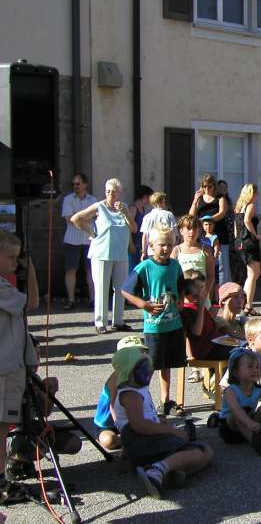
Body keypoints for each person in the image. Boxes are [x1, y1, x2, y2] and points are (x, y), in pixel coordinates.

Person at [111, 346, 213, 499]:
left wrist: (160, 422)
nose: (149, 371)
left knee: (206, 453)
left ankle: (166, 472)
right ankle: (157, 471)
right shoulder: (130, 394)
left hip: (146, 439)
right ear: (128, 371)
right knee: (199, 452)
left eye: (149, 366)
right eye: (142, 368)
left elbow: (143, 418)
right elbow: (139, 425)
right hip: (142, 440)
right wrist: (172, 431)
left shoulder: (138, 389)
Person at [121, 225, 186, 415]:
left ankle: (165, 401)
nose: (165, 249)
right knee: (151, 365)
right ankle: (144, 400)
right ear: (151, 245)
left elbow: (180, 284)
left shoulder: (175, 265)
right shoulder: (144, 267)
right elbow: (125, 290)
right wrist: (143, 304)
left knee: (168, 364)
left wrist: (181, 298)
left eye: (169, 245)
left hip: (173, 324)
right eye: (161, 245)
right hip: (154, 327)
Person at [0, 230, 41, 503]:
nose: (16, 263)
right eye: (11, 258)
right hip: (4, 368)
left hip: (10, 365)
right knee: (1, 428)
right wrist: (33, 271)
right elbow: (33, 303)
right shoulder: (3, 289)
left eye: (19, 258)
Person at [71, 178, 136, 334]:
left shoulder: (124, 208)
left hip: (120, 253)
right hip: (101, 253)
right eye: (108, 191)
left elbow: (133, 229)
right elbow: (76, 218)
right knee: (101, 287)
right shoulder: (99, 206)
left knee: (121, 288)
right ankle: (100, 322)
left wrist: (126, 213)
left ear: (119, 193)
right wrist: (90, 232)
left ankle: (118, 321)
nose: (111, 195)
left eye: (114, 192)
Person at [93, 335, 150, 450]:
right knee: (109, 441)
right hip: (108, 424)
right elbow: (113, 406)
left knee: (159, 425)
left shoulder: (141, 374)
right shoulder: (117, 377)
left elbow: (145, 398)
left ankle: (136, 438)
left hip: (131, 419)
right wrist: (123, 429)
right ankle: (129, 439)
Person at [61, 173, 97, 310]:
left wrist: (78, 217)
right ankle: (71, 299)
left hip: (89, 240)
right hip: (72, 239)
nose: (75, 186)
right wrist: (85, 218)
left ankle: (93, 299)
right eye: (74, 184)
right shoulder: (68, 199)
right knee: (71, 270)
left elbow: (96, 216)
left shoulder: (93, 200)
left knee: (91, 270)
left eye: (78, 183)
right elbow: (68, 219)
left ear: (85, 184)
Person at [179, 272, 231, 363]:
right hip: (205, 349)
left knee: (247, 347)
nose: (200, 293)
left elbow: (209, 326)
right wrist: (201, 307)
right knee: (242, 353)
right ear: (186, 294)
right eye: (196, 292)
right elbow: (196, 332)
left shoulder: (197, 306)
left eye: (201, 288)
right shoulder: (187, 310)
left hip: (215, 342)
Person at [189, 174, 231, 285]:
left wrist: (207, 219)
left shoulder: (220, 198)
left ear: (214, 186)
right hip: (204, 236)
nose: (207, 189)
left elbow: (222, 213)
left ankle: (222, 290)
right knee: (205, 263)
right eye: (204, 186)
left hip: (219, 234)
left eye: (210, 186)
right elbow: (191, 215)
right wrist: (195, 200)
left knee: (221, 264)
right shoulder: (200, 199)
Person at [171, 215, 215, 309]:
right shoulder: (176, 250)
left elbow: (211, 275)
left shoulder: (205, 250)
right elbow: (172, 274)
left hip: (201, 294)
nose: (192, 232)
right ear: (181, 231)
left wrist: (205, 292)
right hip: (183, 295)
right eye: (188, 228)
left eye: (195, 228)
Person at [234, 184, 261, 315]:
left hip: (241, 242)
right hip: (250, 242)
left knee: (254, 273)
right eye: (256, 193)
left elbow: (236, 226)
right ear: (252, 194)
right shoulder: (250, 206)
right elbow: (247, 220)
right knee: (252, 275)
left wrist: (237, 239)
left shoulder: (239, 207)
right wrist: (255, 235)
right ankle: (247, 305)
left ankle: (246, 302)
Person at [140, 192, 178, 261]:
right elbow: (174, 233)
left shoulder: (147, 217)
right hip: (167, 249)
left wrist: (143, 251)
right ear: (161, 201)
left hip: (152, 250)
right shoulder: (169, 215)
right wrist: (174, 247)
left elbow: (145, 236)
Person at [130, 185, 154, 269]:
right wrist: (131, 244)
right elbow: (128, 226)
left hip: (141, 244)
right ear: (145, 196)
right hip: (134, 243)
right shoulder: (133, 208)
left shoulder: (143, 209)